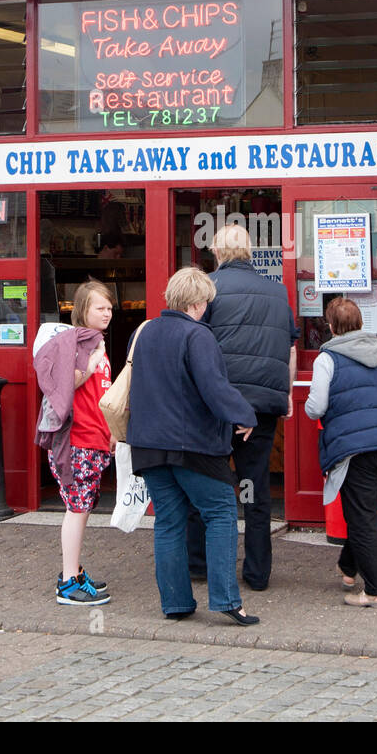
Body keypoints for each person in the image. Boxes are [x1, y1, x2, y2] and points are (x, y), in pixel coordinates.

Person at [128, 267, 261, 625]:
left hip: (148, 444)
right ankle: (226, 600)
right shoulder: (198, 335)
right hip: (193, 445)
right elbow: (214, 387)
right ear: (200, 302)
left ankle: (175, 603)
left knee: (168, 522)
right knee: (220, 513)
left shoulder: (145, 332)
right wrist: (244, 414)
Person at [187, 224, 297, 591]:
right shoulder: (278, 292)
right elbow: (290, 349)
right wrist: (287, 395)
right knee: (255, 488)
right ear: (250, 252)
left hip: (216, 406)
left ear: (216, 252)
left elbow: (195, 346)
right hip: (262, 407)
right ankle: (257, 573)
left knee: (203, 482)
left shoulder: (208, 290)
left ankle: (200, 564)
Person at [305, 297, 377, 608]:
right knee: (366, 512)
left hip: (358, 449)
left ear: (330, 327)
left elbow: (316, 407)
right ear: (360, 323)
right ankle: (347, 568)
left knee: (360, 519)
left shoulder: (326, 358)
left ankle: (375, 591)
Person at [32, 279, 115, 606]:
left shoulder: (94, 341)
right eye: (100, 308)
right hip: (78, 440)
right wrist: (92, 363)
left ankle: (75, 572)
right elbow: (66, 386)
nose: (107, 313)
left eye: (109, 307)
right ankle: (68, 582)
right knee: (76, 510)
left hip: (94, 438)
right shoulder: (80, 344)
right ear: (83, 310)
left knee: (80, 509)